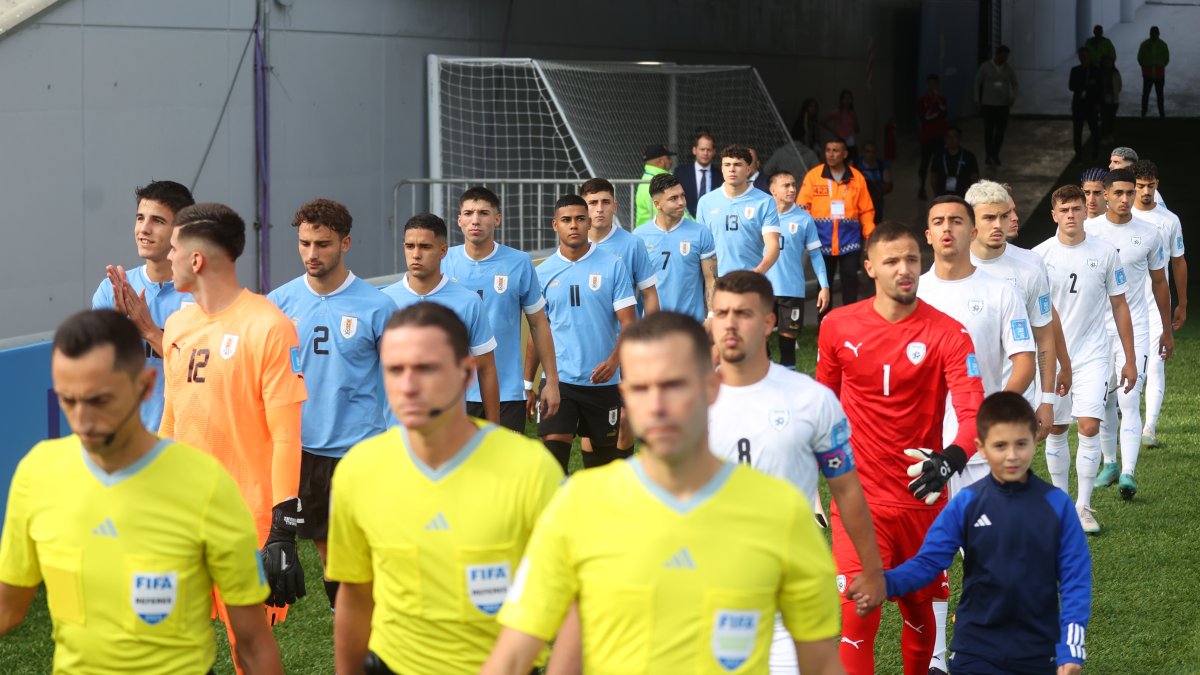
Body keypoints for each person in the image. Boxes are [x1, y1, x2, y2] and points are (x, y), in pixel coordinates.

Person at [483, 311, 843, 675]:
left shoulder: (781, 511)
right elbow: (512, 656)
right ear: (625, 396)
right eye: (641, 388)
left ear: (711, 387)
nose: (657, 405)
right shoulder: (578, 505)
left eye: (674, 385)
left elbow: (821, 662)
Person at [0, 310, 284, 675]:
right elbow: (9, 608)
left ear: (146, 386)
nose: (82, 420)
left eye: (100, 400)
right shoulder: (37, 473)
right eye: (68, 400)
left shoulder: (206, 484)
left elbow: (253, 642)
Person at [326, 303, 563, 675]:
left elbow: (571, 604)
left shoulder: (532, 470)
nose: (408, 386)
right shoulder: (358, 471)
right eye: (394, 370)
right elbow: (355, 597)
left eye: (426, 369)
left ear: (467, 373)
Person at [817, 221, 984, 675]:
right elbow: (821, 405)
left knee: (919, 615)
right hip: (859, 499)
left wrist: (951, 459)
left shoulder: (949, 333)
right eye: (891, 261)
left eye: (911, 259)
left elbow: (973, 414)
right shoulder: (837, 326)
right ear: (870, 266)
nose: (904, 269)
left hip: (922, 502)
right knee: (859, 616)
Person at [708, 271, 884, 674]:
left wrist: (872, 569)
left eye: (743, 313)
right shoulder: (687, 403)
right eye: (721, 313)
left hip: (789, 592)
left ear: (770, 322)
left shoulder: (812, 400)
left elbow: (847, 490)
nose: (730, 324)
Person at [158, 203, 308, 670]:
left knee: (248, 651)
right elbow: (171, 420)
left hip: (246, 523)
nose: (167, 256)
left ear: (196, 259)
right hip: (182, 517)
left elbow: (287, 436)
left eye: (174, 248)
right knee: (168, 645)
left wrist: (283, 529)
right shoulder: (177, 325)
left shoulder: (270, 327)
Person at [853, 392, 1091, 675]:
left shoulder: (1058, 505)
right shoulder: (967, 503)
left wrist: (1071, 649)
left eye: (1021, 444)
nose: (1012, 455)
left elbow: (1075, 578)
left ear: (1035, 440)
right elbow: (928, 563)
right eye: (1000, 445)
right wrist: (884, 583)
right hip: (975, 650)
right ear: (981, 447)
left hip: (1038, 651)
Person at [917, 195, 1036, 674]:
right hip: (923, 450)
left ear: (971, 231)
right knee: (932, 558)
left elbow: (1023, 361)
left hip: (980, 452)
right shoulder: (911, 292)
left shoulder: (1001, 292)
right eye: (938, 222)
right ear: (928, 234)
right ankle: (937, 659)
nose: (947, 228)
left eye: (956, 220)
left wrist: (991, 418)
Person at [266, 198, 396, 610]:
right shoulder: (279, 303)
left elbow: (399, 380)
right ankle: (351, 633)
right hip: (303, 451)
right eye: (304, 243)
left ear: (345, 243)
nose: (311, 253)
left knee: (368, 553)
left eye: (322, 244)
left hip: (361, 450)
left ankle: (385, 628)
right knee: (330, 557)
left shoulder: (377, 306)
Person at [1035, 184, 1139, 535]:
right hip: (1052, 357)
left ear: (1085, 211)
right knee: (1056, 427)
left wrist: (1129, 358)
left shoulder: (1106, 252)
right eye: (1064, 210)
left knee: (1090, 426)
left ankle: (1084, 506)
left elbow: (1120, 305)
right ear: (1054, 214)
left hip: (1094, 353)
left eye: (1076, 208)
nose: (1071, 215)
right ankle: (1062, 504)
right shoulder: (1039, 256)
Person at [527, 195, 637, 472]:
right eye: (566, 220)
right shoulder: (542, 273)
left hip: (603, 381)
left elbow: (629, 323)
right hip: (558, 381)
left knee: (603, 467)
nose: (573, 225)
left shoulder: (613, 265)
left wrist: (613, 362)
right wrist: (528, 383)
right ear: (555, 225)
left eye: (579, 219)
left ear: (589, 223)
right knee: (553, 463)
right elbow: (537, 330)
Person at [1084, 168, 1172, 500]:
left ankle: (1128, 473)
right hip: (1096, 330)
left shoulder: (1150, 234)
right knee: (1103, 397)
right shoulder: (1089, 231)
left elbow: (1160, 282)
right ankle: (1109, 463)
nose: (1125, 199)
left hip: (1136, 328)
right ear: (1105, 195)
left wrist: (1166, 329)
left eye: (1129, 193)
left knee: (1128, 397)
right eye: (1118, 193)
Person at [444, 186, 561, 433]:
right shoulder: (443, 262)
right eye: (469, 213)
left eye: (484, 213)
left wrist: (551, 381)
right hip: (452, 391)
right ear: (459, 220)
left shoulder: (519, 262)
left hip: (506, 392)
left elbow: (539, 323)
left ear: (497, 219)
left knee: (503, 458)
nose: (475, 220)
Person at [92, 180, 195, 431]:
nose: (144, 229)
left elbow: (200, 373)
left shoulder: (200, 295)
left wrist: (148, 329)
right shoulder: (112, 289)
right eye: (140, 218)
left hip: (186, 438)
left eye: (157, 221)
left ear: (182, 231)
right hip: (129, 437)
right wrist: (118, 328)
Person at [382, 213, 501, 424]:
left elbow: (486, 369)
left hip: (449, 431)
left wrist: (494, 429)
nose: (416, 254)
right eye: (410, 246)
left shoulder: (468, 302)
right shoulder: (383, 301)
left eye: (425, 247)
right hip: (393, 431)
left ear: (443, 251)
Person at [966, 180, 1060, 435]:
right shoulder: (951, 268)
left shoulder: (1030, 266)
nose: (999, 224)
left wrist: (1047, 400)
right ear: (970, 221)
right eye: (989, 218)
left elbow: (1045, 336)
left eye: (1004, 216)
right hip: (964, 398)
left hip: (1017, 397)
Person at [1130, 160, 1187, 447]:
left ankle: (1148, 428)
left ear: (1157, 185)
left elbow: (1178, 262)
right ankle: (1120, 424)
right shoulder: (1119, 217)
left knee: (1155, 363)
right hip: (1123, 303)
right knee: (1123, 365)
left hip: (1156, 303)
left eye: (1150, 186)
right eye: (1140, 186)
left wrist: (1183, 303)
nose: (1145, 192)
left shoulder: (1169, 220)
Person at [798, 137, 876, 314]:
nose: (831, 154)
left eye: (835, 150)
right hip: (821, 241)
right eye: (828, 150)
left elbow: (866, 210)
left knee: (850, 282)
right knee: (823, 285)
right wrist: (807, 233)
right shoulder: (814, 176)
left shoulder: (857, 178)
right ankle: (824, 323)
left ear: (845, 154)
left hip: (850, 241)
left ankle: (849, 321)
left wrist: (869, 235)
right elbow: (802, 206)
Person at [633, 173, 718, 322]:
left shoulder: (701, 233)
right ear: (657, 204)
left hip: (691, 325)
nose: (681, 202)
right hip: (654, 326)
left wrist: (711, 316)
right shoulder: (639, 236)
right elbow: (632, 286)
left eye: (682, 196)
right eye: (673, 198)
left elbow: (711, 279)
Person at [766, 171, 830, 367]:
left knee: (787, 346)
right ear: (773, 190)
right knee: (758, 341)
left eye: (794, 185)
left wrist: (824, 286)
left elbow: (816, 255)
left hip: (792, 291)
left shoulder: (804, 219)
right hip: (762, 290)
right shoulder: (760, 216)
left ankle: (788, 382)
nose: (792, 189)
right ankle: (765, 378)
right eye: (786, 185)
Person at [696, 144, 782, 276]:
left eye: (737, 165)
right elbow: (701, 246)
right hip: (716, 281)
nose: (732, 169)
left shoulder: (765, 201)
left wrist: (758, 272)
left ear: (748, 169)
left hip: (749, 279)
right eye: (727, 165)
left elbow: (773, 244)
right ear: (722, 169)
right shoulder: (705, 201)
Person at [583, 177, 660, 314]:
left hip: (626, 327)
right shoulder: (573, 245)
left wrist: (653, 328)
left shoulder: (633, 244)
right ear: (582, 208)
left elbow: (649, 293)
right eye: (593, 203)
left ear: (615, 207)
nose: (600, 209)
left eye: (606, 202)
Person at [973, 45, 1018, 166]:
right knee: (988, 131)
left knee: (1000, 132)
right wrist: (977, 100)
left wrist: (1013, 96)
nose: (1005, 58)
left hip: (1003, 106)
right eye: (1003, 55)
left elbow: (1015, 84)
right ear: (997, 54)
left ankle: (996, 154)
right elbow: (977, 83)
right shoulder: (985, 67)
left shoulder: (1008, 69)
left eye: (1006, 56)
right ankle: (988, 156)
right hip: (988, 105)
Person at [673, 129, 723, 218]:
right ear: (694, 150)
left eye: (709, 150)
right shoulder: (680, 173)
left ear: (714, 152)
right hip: (686, 221)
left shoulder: (721, 175)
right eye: (702, 149)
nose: (705, 153)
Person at [917, 74, 949, 200]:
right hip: (927, 137)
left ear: (937, 85)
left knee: (939, 164)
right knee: (924, 163)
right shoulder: (922, 100)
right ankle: (921, 188)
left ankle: (939, 189)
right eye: (930, 84)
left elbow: (944, 113)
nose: (932, 86)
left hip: (939, 136)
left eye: (934, 84)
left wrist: (938, 101)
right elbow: (924, 117)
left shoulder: (942, 100)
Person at [1069, 48, 1102, 162]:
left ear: (1089, 56)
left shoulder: (1096, 70)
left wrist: (1098, 103)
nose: (1083, 58)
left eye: (1085, 56)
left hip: (1091, 104)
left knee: (1094, 130)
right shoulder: (1075, 70)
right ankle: (1078, 155)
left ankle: (1095, 153)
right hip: (1078, 104)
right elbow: (1071, 86)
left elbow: (1100, 88)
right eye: (1081, 56)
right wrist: (1086, 83)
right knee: (1077, 131)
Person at [929, 127, 980, 198]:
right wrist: (936, 193)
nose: (951, 139)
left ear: (959, 138)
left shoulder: (969, 156)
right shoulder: (939, 156)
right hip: (943, 195)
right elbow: (933, 176)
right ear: (945, 139)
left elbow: (974, 177)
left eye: (954, 136)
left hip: (963, 195)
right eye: (948, 136)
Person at [635, 144, 675, 226]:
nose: (671, 161)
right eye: (668, 158)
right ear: (660, 162)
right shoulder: (653, 184)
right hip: (653, 233)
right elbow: (667, 215)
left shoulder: (654, 180)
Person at [853, 141, 893, 221]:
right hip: (858, 205)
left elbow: (889, 185)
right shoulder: (855, 165)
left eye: (873, 152)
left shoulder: (882, 165)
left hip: (876, 205)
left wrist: (876, 191)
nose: (870, 154)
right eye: (868, 151)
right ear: (863, 152)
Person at [1137, 26, 1169, 117]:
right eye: (1153, 33)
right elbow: (1140, 58)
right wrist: (1156, 64)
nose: (1154, 35)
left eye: (1155, 33)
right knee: (1151, 95)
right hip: (1152, 74)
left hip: (1155, 74)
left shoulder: (1146, 44)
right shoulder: (1161, 45)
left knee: (1153, 95)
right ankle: (1158, 113)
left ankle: (1146, 113)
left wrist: (1150, 64)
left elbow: (1166, 59)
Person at [823, 89, 860, 160]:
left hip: (850, 140)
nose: (847, 101)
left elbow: (857, 130)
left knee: (852, 159)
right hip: (840, 139)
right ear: (841, 100)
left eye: (849, 99)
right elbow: (823, 122)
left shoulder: (852, 113)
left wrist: (854, 118)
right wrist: (833, 131)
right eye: (845, 99)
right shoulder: (837, 112)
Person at [1099, 54, 1122, 141]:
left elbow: (1119, 85)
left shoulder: (1115, 73)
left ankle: (1109, 134)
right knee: (1105, 119)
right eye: (1106, 62)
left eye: (1110, 62)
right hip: (1103, 100)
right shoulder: (1100, 73)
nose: (1108, 64)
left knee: (1111, 118)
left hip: (1113, 100)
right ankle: (1105, 135)